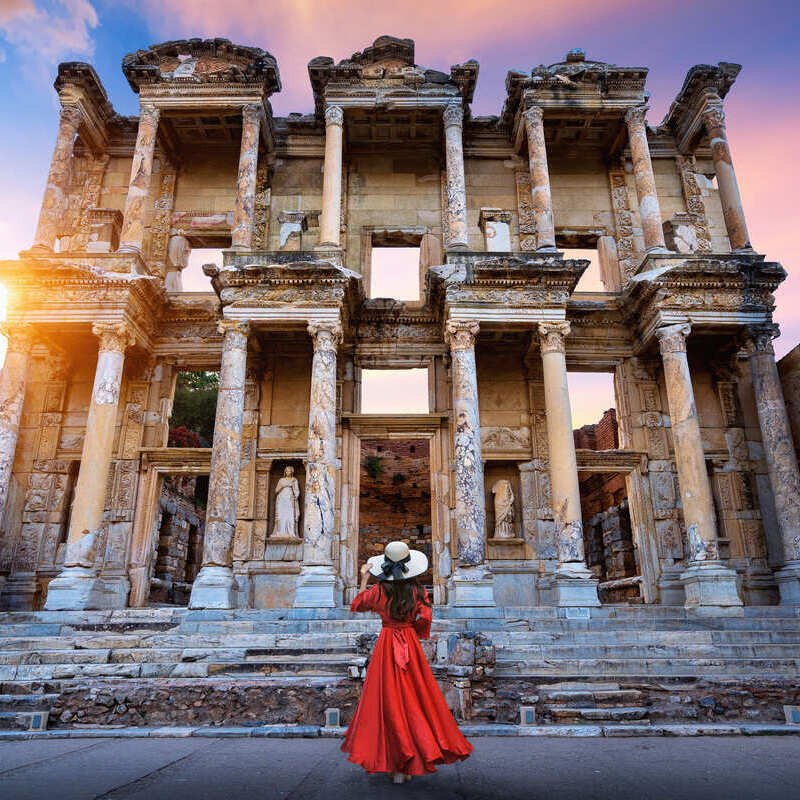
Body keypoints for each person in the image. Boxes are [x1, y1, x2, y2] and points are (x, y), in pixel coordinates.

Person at [341, 541, 473, 784]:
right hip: (409, 644)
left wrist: (364, 578)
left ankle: (395, 766)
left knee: (387, 701)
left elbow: (357, 604)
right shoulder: (417, 591)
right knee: (415, 699)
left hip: (387, 645)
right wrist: (416, 627)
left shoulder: (379, 591)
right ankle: (410, 763)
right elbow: (425, 618)